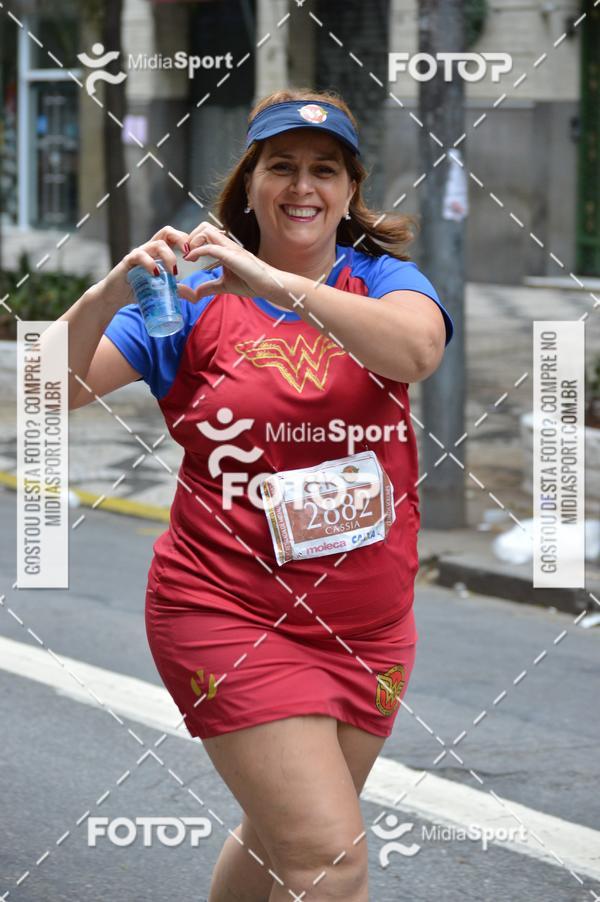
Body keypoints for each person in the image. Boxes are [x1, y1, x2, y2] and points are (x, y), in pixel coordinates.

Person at [63, 88, 454, 901]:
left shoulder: (382, 280)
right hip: (226, 611)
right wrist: (111, 290)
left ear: (350, 191)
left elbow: (417, 352)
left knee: (287, 841)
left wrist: (271, 281)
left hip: (369, 626)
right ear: (250, 183)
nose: (302, 185)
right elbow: (44, 389)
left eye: (324, 169)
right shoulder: (193, 298)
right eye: (282, 166)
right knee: (329, 857)